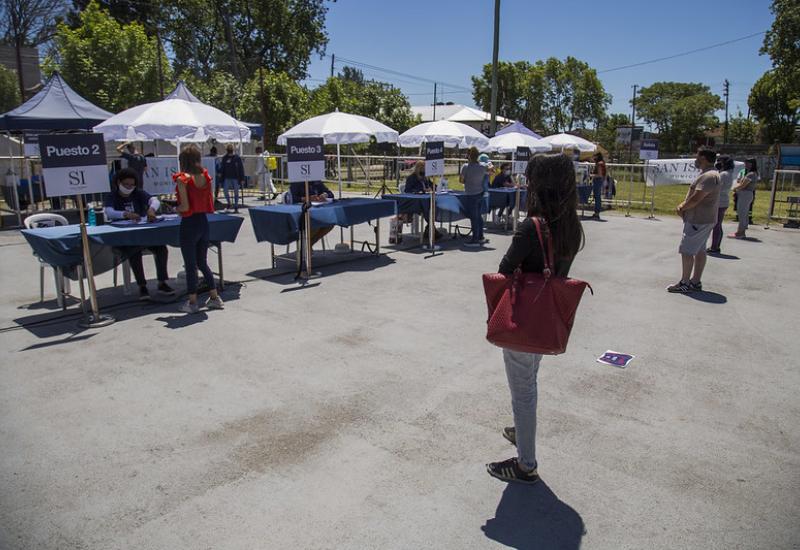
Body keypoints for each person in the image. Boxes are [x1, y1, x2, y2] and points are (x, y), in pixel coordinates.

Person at [486, 153, 585, 485]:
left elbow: (504, 269)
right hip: (545, 319)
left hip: (522, 319)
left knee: (523, 391)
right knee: (529, 383)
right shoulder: (571, 224)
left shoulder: (533, 226)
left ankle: (526, 463)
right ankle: (521, 429)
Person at [103, 168, 174, 299]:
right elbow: (109, 211)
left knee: (161, 248)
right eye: (126, 185)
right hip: (125, 237)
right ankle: (142, 286)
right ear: (119, 182)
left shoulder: (138, 193)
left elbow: (155, 200)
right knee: (134, 252)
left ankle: (162, 282)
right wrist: (125, 214)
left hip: (143, 233)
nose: (129, 187)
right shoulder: (112, 196)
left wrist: (152, 209)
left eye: (132, 185)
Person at [174, 144, 224, 313]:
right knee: (202, 262)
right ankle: (215, 297)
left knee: (190, 265)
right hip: (204, 222)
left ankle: (192, 302)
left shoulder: (182, 179)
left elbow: (185, 206)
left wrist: (175, 208)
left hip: (189, 223)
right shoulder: (205, 177)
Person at [667, 147, 721, 293]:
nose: (695, 159)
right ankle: (695, 281)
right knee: (700, 250)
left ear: (703, 158)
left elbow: (697, 197)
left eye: (697, 157)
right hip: (703, 219)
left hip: (698, 220)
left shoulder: (709, 176)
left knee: (687, 251)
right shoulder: (710, 174)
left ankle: (685, 282)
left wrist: (682, 207)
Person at [404, 161, 442, 242]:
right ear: (418, 168)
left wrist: (437, 187)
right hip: (414, 202)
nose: (424, 170)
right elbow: (407, 190)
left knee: (435, 206)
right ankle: (431, 229)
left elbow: (432, 185)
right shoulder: (411, 178)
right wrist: (422, 190)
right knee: (429, 208)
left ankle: (429, 228)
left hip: (425, 200)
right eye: (422, 168)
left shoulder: (425, 177)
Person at [289, 180, 335, 246]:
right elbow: (291, 198)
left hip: (316, 213)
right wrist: (305, 199)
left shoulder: (317, 182)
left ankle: (308, 245)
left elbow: (330, 194)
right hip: (300, 215)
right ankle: (306, 246)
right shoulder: (296, 183)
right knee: (315, 224)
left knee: (330, 224)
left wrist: (324, 195)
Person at [460, 146, 488, 247]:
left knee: (474, 217)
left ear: (468, 155)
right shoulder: (483, 166)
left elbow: (461, 180)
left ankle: (475, 239)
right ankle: (480, 237)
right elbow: (491, 171)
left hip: (471, 193)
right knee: (478, 216)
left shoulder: (465, 167)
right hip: (480, 193)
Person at [708, 155, 735, 254]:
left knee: (716, 225)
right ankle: (716, 245)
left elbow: (714, 186)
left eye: (720, 161)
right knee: (718, 224)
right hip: (723, 201)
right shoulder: (728, 173)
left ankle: (714, 246)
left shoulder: (723, 174)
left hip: (719, 201)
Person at [730, 158, 758, 239]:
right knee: (744, 213)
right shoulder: (749, 173)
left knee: (742, 214)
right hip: (745, 194)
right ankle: (742, 231)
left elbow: (743, 185)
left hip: (745, 194)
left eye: (748, 163)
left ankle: (740, 232)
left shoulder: (751, 174)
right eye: (745, 163)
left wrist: (734, 188)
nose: (746, 165)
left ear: (752, 164)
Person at [220, 144, 245, 213]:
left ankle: (236, 206)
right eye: (229, 149)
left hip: (236, 178)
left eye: (231, 149)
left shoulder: (237, 157)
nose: (230, 151)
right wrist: (221, 178)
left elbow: (241, 168)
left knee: (236, 193)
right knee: (225, 191)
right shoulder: (224, 158)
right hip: (227, 177)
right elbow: (222, 168)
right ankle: (229, 203)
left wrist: (242, 178)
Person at [590, 152, 607, 219]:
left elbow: (599, 174)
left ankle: (597, 213)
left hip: (598, 180)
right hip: (600, 180)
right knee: (597, 197)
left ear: (597, 156)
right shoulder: (602, 162)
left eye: (594, 156)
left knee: (597, 197)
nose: (593, 157)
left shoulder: (599, 164)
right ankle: (597, 212)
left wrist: (591, 175)